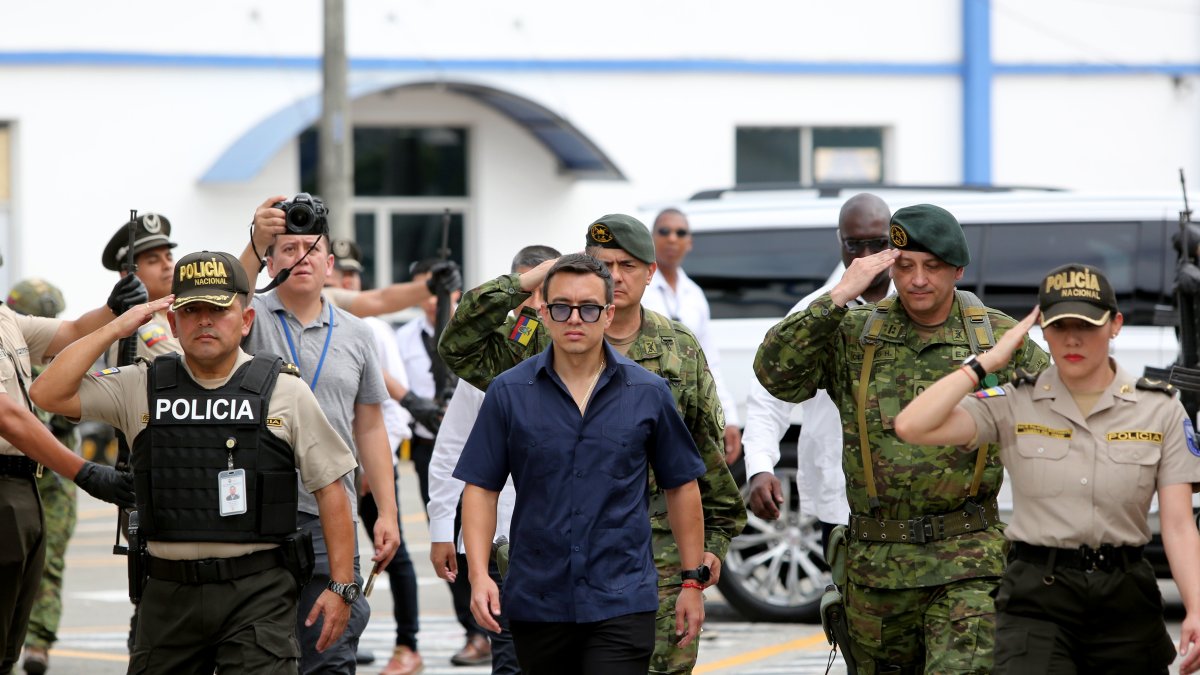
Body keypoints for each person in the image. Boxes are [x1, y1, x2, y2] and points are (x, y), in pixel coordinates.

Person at [439, 214, 746, 674]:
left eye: (627, 265)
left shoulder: (678, 349)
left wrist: (711, 547)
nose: (616, 277)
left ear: (650, 272)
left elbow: (702, 458)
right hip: (553, 570)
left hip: (656, 565)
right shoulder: (542, 334)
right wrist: (532, 279)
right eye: (603, 264)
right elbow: (459, 345)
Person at [29, 251, 361, 674]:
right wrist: (116, 327)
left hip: (258, 593)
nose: (205, 320)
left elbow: (331, 487)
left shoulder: (284, 391)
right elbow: (46, 393)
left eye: (219, 310)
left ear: (245, 322)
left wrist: (341, 586)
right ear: (173, 322)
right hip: (169, 594)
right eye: (192, 310)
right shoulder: (141, 385)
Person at [754, 203, 1050, 673]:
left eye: (932, 267)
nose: (916, 280)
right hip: (877, 565)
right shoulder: (856, 334)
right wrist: (836, 297)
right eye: (905, 266)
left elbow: (1060, 412)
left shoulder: (994, 337)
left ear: (957, 269)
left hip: (967, 558)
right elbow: (776, 376)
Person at [894, 262, 1200, 674]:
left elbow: (1180, 525)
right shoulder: (1014, 400)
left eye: (1087, 326)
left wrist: (1197, 607)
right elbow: (911, 425)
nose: (1072, 339)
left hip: (1126, 596)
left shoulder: (1159, 408)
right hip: (1037, 597)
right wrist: (985, 362)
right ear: (1042, 330)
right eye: (1058, 326)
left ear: (1115, 325)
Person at [239, 200, 411, 674]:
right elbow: (228, 299)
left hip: (329, 516)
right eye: (287, 248)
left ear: (330, 264)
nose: (301, 257)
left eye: (312, 249)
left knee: (330, 653)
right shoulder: (248, 320)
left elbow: (371, 426)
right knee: (258, 655)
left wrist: (388, 514)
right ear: (270, 262)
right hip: (256, 515)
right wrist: (254, 240)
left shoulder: (357, 332)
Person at [0, 264, 146, 675]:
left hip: (24, 482)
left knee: (8, 642)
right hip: (7, 482)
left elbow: (69, 332)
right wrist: (84, 471)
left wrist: (113, 310)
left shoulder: (6, 319)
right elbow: (7, 415)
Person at [427, 244, 560, 675]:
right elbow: (453, 447)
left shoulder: (589, 350)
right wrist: (442, 527)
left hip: (571, 539)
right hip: (505, 539)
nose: (538, 305)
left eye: (548, 292)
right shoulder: (497, 360)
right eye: (530, 291)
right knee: (511, 659)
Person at [743, 194, 892, 551]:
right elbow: (768, 396)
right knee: (845, 604)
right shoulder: (814, 313)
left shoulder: (919, 305)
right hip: (842, 502)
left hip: (916, 500)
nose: (867, 254)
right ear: (840, 241)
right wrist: (760, 466)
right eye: (855, 244)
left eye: (879, 242)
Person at [328, 239, 424, 675]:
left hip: (367, 470)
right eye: (340, 274)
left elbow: (393, 411)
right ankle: (339, 638)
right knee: (330, 560)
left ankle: (408, 645)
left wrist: (371, 468)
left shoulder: (375, 331)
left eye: (352, 275)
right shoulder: (319, 323)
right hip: (323, 475)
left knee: (392, 555)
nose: (345, 281)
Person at [396, 257, 490, 667]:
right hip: (428, 445)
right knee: (447, 540)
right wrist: (417, 411)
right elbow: (391, 393)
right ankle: (472, 630)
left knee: (481, 539)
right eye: (426, 293)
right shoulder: (405, 338)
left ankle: (491, 627)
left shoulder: (477, 337)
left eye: (443, 293)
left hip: (477, 447)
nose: (435, 303)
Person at [5, 280, 81, 675]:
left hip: (50, 478)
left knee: (47, 563)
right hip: (28, 471)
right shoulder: (19, 342)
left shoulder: (55, 352)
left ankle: (37, 643)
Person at [641, 208, 741, 463]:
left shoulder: (694, 295)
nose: (672, 238)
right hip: (644, 409)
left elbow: (710, 362)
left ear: (690, 242)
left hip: (687, 414)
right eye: (664, 231)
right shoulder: (638, 288)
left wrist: (729, 418)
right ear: (652, 238)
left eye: (680, 232)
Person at [100, 213, 181, 363]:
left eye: (169, 257)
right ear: (127, 274)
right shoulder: (141, 329)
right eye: (153, 261)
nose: (167, 265)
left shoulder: (176, 316)